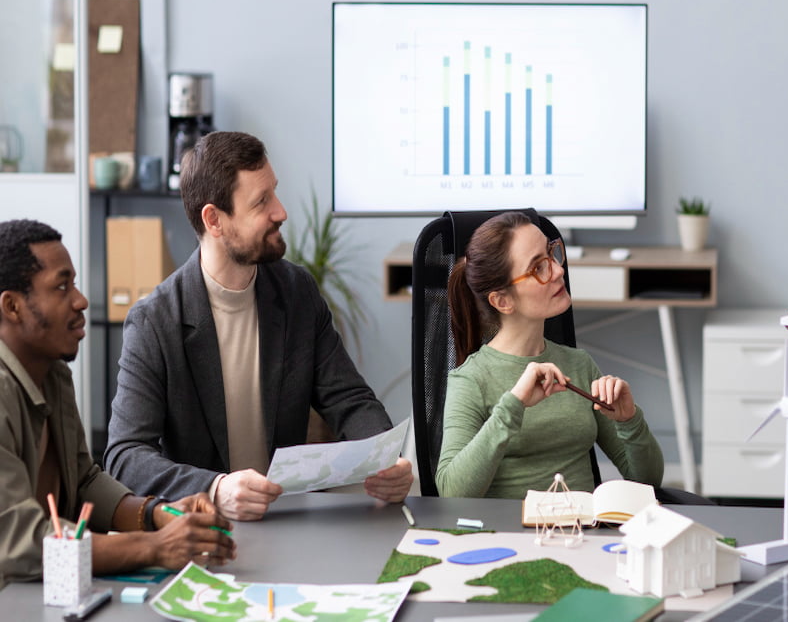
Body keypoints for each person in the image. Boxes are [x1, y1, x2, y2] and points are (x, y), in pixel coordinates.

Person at [104, 131, 412, 521]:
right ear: (214, 220)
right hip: (203, 528)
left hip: (288, 520)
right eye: (261, 201)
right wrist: (215, 488)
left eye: (275, 193)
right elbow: (125, 455)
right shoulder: (155, 321)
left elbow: (349, 400)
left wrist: (386, 459)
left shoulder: (296, 292)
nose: (281, 211)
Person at [0, 219, 235, 585]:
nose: (80, 300)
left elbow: (83, 482)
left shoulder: (53, 374)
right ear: (12, 306)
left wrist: (159, 514)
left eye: (74, 284)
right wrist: (154, 546)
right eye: (61, 287)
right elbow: (20, 540)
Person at [435, 211, 664, 498]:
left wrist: (629, 419)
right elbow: (452, 494)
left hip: (582, 536)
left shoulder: (579, 365)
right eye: (538, 268)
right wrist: (514, 404)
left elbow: (648, 482)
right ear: (502, 300)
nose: (558, 271)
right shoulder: (472, 379)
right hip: (514, 537)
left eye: (552, 254)